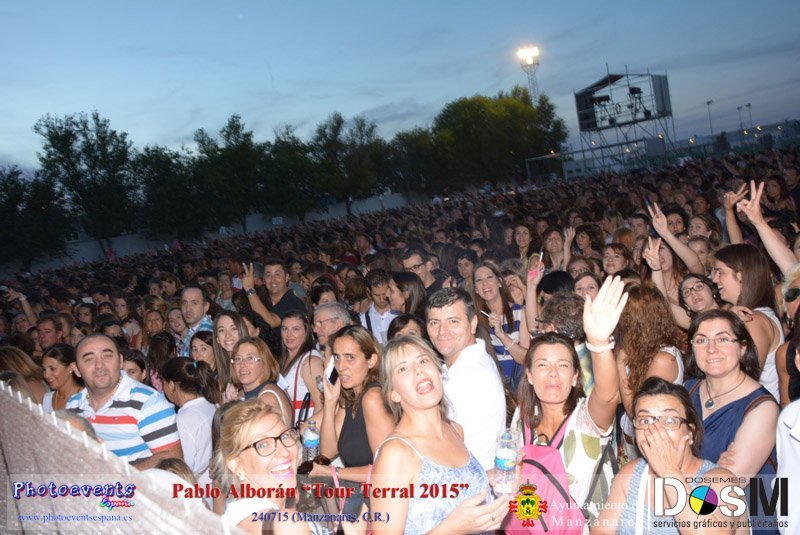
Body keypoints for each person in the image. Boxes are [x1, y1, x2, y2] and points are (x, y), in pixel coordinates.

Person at [506, 276, 626, 532]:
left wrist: (599, 343)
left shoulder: (586, 419)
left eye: (562, 365)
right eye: (542, 365)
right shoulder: (522, 417)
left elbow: (607, 396)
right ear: (529, 375)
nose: (552, 374)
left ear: (574, 377)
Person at [371, 335, 509, 534]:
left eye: (423, 360)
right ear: (394, 393)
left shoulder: (454, 430)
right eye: (403, 369)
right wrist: (452, 528)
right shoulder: (395, 453)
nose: (418, 370)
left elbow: (455, 487)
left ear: (438, 371)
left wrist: (490, 477)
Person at [597, 378, 744, 534]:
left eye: (669, 420)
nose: (655, 429)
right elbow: (602, 530)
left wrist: (668, 471)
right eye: (645, 420)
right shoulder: (631, 474)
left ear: (691, 431)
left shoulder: (720, 481)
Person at [684, 310, 779, 526]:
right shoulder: (687, 390)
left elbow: (716, 496)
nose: (711, 349)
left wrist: (673, 468)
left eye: (722, 339)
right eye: (701, 340)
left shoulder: (763, 408)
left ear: (743, 347)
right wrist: (713, 468)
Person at [66, 333, 182, 468]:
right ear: (76, 369)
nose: (99, 365)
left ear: (120, 361)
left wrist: (117, 477)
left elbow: (173, 460)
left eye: (107, 356)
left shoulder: (148, 402)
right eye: (89, 359)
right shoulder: (73, 405)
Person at [426, 288, 505, 470]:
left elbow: (438, 445)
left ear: (473, 323)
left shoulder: (466, 375)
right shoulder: (473, 358)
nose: (442, 331)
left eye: (453, 321)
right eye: (434, 323)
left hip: (469, 479)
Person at [215, 400, 315, 533]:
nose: (284, 452)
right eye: (263, 445)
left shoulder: (235, 517)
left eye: (285, 436)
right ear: (236, 465)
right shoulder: (287, 524)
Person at [313, 325, 394, 485]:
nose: (341, 367)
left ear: (371, 360)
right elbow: (327, 452)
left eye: (350, 357)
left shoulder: (373, 398)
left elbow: (387, 470)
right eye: (337, 358)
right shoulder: (351, 396)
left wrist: (332, 472)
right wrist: (330, 402)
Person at [712, 244, 784, 400]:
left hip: (751, 409)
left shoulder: (753, 320)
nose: (714, 279)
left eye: (720, 272)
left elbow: (743, 377)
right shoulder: (747, 314)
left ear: (741, 276)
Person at [160, 358, 219, 487]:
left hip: (197, 489)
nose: (162, 388)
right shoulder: (211, 404)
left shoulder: (182, 421)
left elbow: (182, 467)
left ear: (171, 385)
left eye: (163, 383)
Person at [472, 261, 530, 387]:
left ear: (499, 282)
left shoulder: (520, 312)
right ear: (476, 289)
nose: (485, 284)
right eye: (479, 280)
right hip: (490, 385)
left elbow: (525, 358)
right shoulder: (475, 320)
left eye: (489, 277)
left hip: (517, 385)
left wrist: (501, 334)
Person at [242, 259, 306, 354]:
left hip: (292, 357)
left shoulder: (293, 302)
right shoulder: (260, 301)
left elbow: (269, 321)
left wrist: (249, 289)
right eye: (268, 275)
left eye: (277, 274)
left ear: (287, 277)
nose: (273, 280)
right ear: (264, 280)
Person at [229, 336, 293, 426]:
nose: (243, 364)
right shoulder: (245, 393)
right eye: (238, 359)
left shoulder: (267, 398)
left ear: (264, 363)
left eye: (250, 358)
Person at [279, 311, 325, 425]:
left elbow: (322, 405)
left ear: (306, 332)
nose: (289, 334)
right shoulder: (282, 360)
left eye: (295, 329)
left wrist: (306, 431)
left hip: (306, 429)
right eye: (285, 329)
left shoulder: (311, 361)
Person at [360, 269, 398, 345]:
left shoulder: (399, 313)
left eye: (384, 294)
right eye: (376, 295)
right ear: (369, 292)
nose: (382, 299)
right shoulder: (363, 320)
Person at [41, 343, 82, 413]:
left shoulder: (85, 399)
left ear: (71, 367)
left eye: (52, 369)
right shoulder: (47, 399)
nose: (46, 375)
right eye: (44, 369)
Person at [178, 285, 213, 357]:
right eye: (184, 303)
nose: (187, 309)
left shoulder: (206, 332)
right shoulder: (193, 329)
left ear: (206, 306)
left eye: (194, 303)